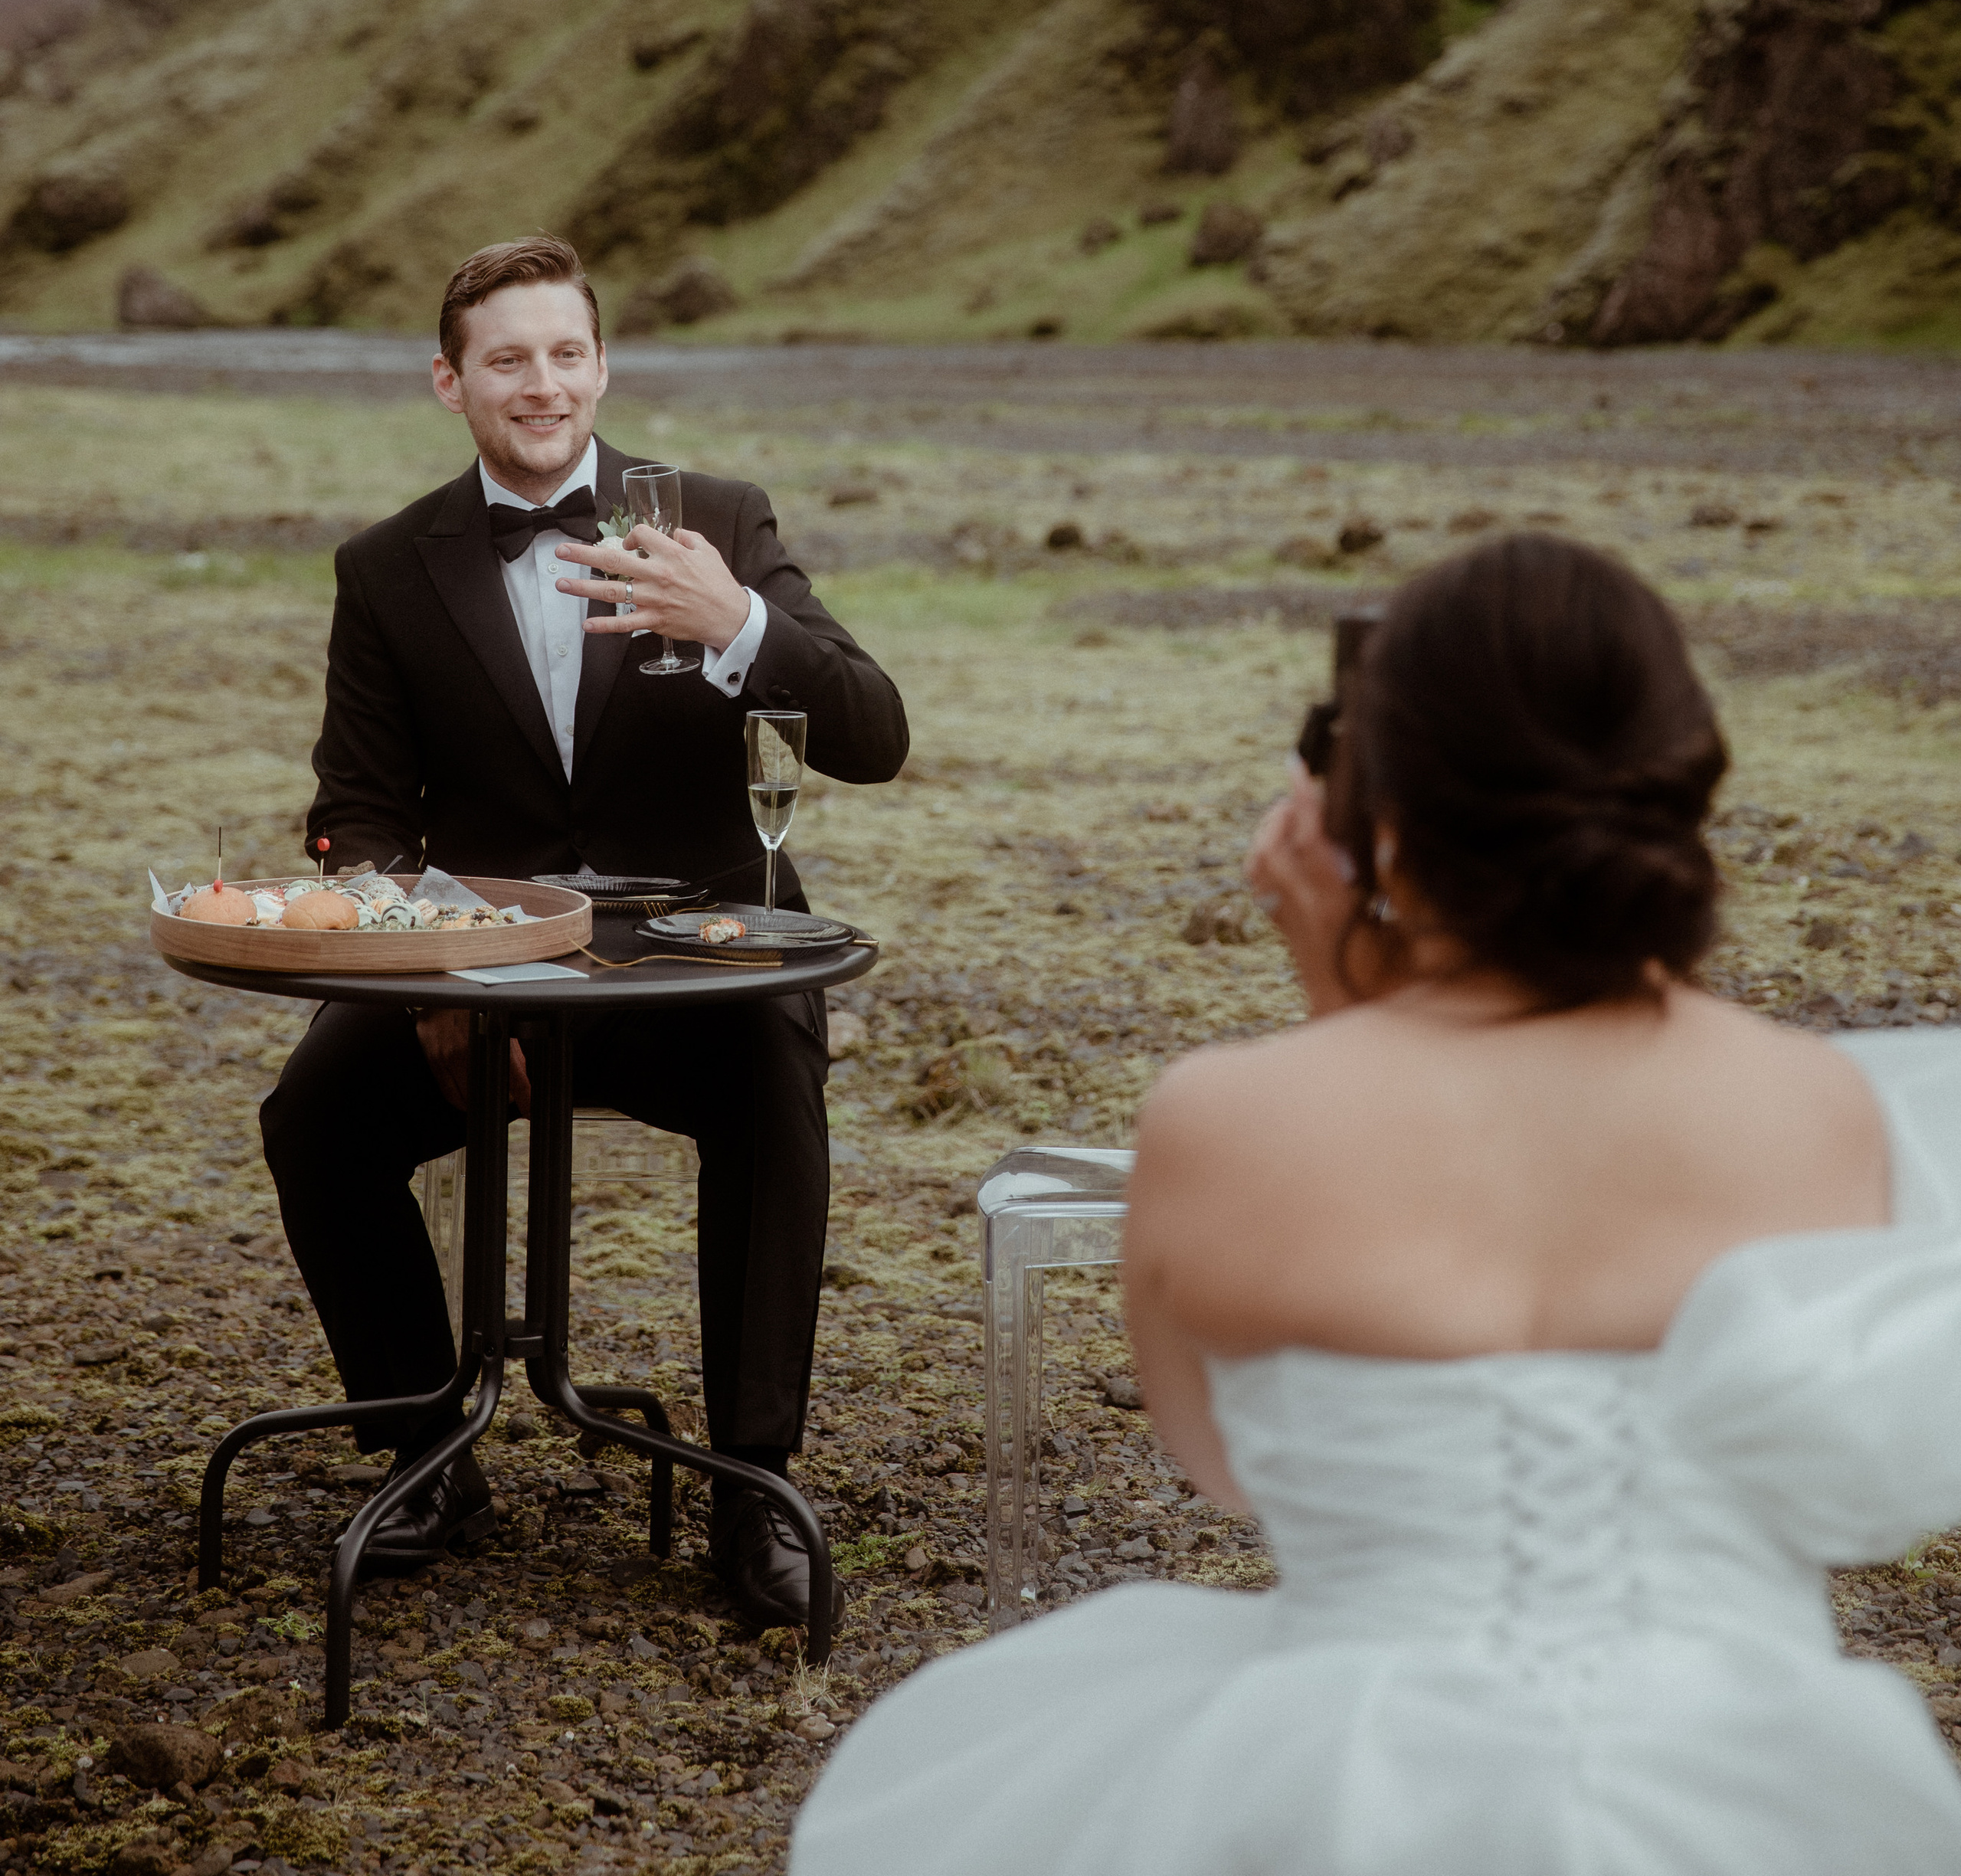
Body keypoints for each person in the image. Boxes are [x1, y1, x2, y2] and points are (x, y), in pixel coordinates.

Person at [792, 534, 1961, 1873]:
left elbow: (1233, 1465)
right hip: (1768, 1786)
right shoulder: (1819, 1106)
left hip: (1354, 1775)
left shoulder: (1227, 1120)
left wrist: (1346, 996)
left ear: (1369, 805)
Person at [259, 232, 908, 1627]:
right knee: (312, 1113)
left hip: (690, 990)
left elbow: (876, 734)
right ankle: (420, 1446)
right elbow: (354, 820)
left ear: (602, 367)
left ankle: (751, 1484)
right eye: (508, 360)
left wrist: (737, 625)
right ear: (451, 382)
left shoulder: (719, 521)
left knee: (779, 1082)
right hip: (481, 996)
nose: (541, 385)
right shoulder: (386, 570)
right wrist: (430, 966)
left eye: (566, 354)